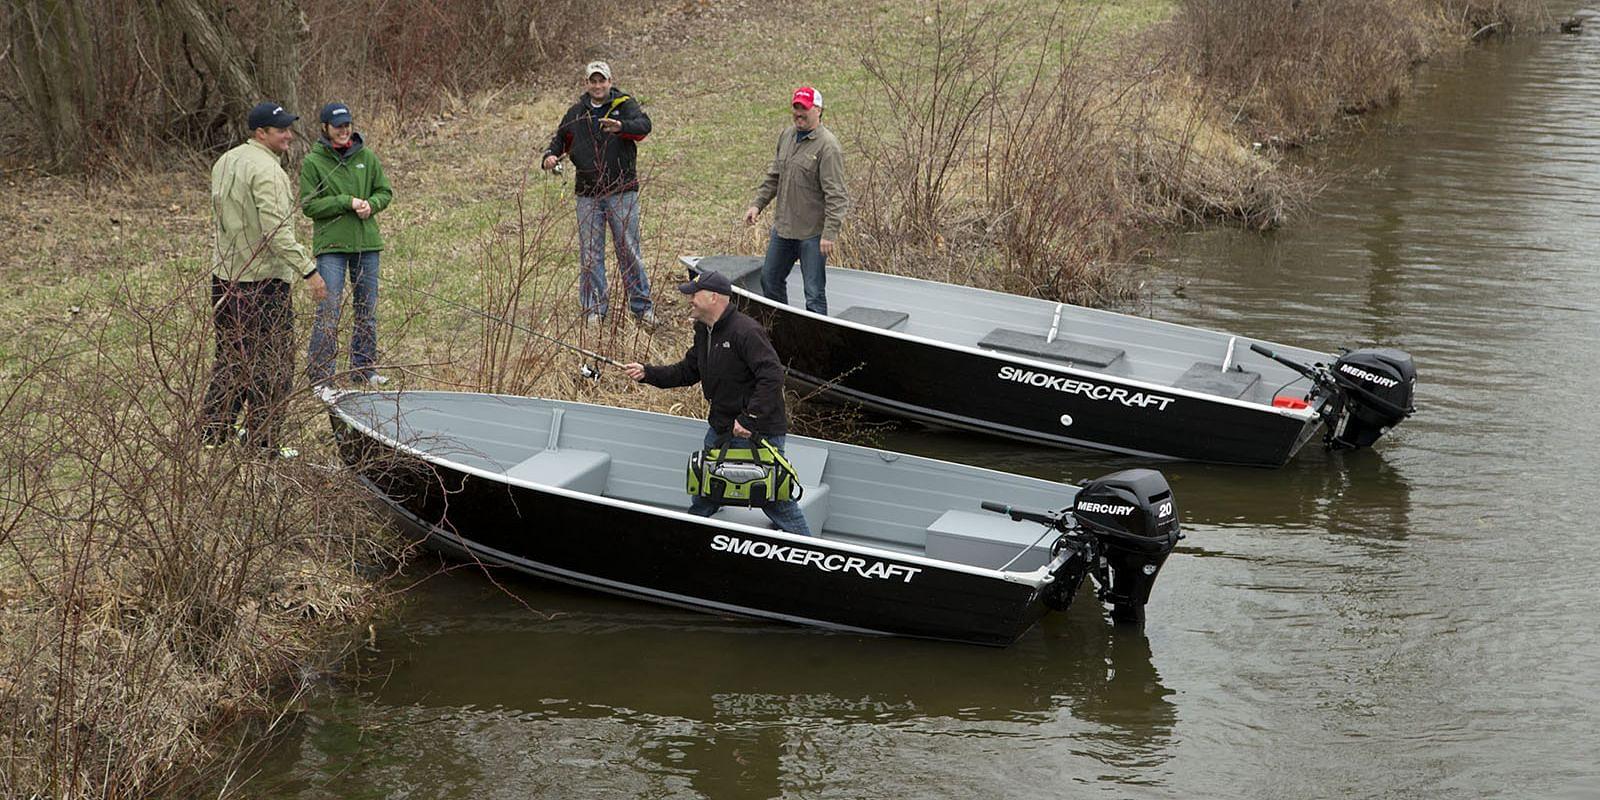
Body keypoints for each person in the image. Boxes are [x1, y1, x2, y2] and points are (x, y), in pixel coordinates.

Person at [622, 271, 811, 536]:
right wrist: (648, 373)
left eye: (694, 294)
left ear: (713, 297)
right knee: (706, 491)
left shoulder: (746, 331)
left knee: (775, 500)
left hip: (758, 431)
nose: (690, 299)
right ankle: (692, 537)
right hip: (721, 427)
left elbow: (772, 376)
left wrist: (750, 418)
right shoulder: (704, 330)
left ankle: (806, 548)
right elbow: (688, 371)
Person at [204, 101, 328, 458]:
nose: (289, 135)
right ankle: (263, 442)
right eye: (282, 130)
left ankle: (213, 433)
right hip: (262, 283)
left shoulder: (224, 162)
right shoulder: (268, 172)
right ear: (261, 134)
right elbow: (277, 232)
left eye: (289, 128)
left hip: (225, 278)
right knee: (273, 364)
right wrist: (309, 270)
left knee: (230, 357)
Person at [541, 60, 656, 325]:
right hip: (587, 194)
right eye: (592, 81)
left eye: (601, 80)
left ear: (610, 81)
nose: (597, 85)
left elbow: (644, 126)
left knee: (628, 250)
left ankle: (641, 308)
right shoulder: (576, 113)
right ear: (586, 84)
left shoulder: (624, 105)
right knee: (591, 256)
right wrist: (550, 156)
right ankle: (594, 310)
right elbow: (559, 140)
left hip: (622, 191)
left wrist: (621, 127)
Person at [300, 101, 395, 386]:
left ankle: (363, 370)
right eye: (338, 127)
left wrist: (373, 205)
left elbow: (385, 191)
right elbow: (309, 205)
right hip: (332, 249)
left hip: (367, 246)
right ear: (325, 128)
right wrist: (345, 202)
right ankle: (321, 376)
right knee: (329, 311)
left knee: (367, 311)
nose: (344, 131)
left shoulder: (367, 156)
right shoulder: (313, 162)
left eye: (347, 126)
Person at [743, 86, 849, 316]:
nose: (799, 113)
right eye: (796, 107)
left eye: (805, 108)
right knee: (769, 280)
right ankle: (783, 329)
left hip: (812, 234)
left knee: (814, 294)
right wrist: (757, 204)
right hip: (783, 229)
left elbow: (837, 195)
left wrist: (829, 234)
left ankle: (817, 343)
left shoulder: (827, 146)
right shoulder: (787, 135)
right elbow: (774, 176)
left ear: (818, 110)